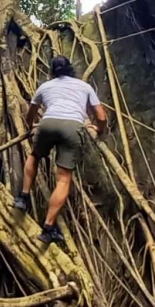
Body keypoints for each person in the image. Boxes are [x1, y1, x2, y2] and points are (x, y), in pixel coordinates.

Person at [15, 55, 108, 245]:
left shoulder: (45, 87)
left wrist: (32, 125)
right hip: (73, 127)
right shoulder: (84, 86)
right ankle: (48, 227)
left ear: (52, 71)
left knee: (34, 156)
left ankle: (23, 197)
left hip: (47, 123)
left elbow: (31, 113)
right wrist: (98, 129)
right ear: (71, 69)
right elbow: (101, 116)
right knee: (64, 178)